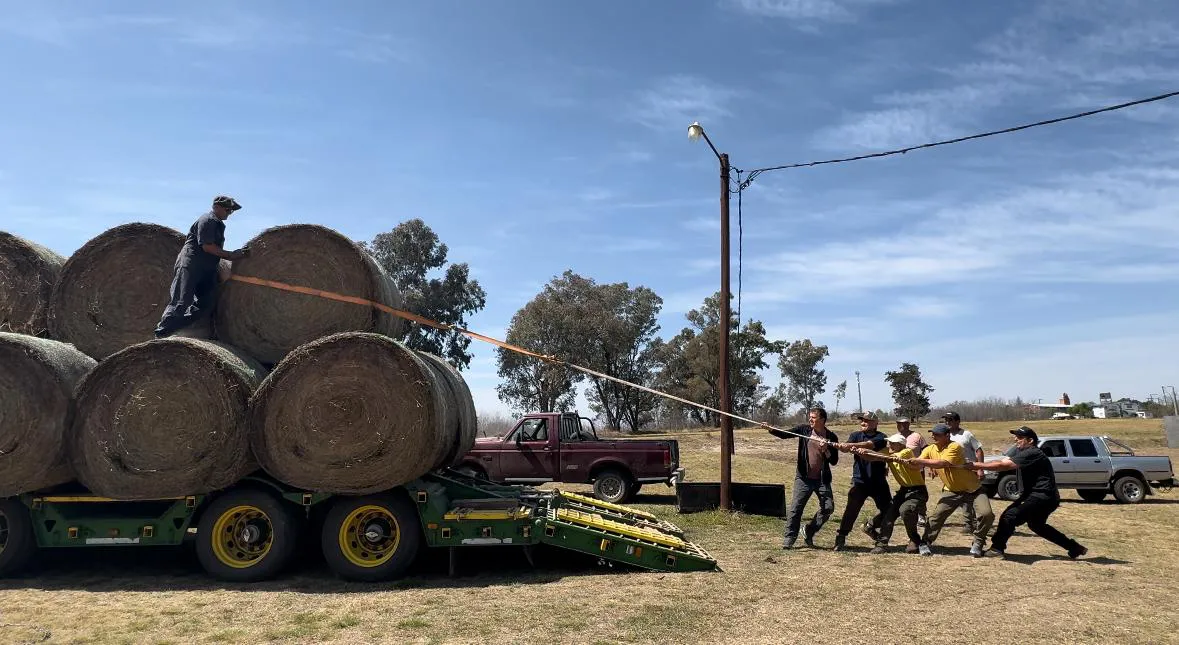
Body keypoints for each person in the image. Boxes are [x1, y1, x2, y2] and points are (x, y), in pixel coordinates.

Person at [964, 426, 1088, 560]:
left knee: (1009, 516)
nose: (1016, 439)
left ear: (1030, 440)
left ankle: (997, 548)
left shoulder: (1033, 453)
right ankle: (1074, 547)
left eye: (1020, 438)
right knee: (1037, 525)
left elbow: (1002, 466)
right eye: (1016, 437)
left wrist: (976, 465)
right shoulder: (1023, 452)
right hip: (1045, 497)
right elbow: (1002, 461)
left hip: (1041, 496)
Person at [154, 196, 249, 338]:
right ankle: (162, 334)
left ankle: (173, 330)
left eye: (231, 211)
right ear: (216, 207)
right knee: (182, 301)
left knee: (207, 304)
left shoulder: (217, 223)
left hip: (207, 269)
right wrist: (231, 255)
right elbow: (207, 246)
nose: (230, 213)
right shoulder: (208, 220)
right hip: (192, 264)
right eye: (228, 209)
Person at [904, 423, 994, 557]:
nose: (933, 436)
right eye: (932, 433)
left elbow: (944, 463)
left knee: (986, 514)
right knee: (936, 517)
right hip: (951, 490)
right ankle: (925, 542)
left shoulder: (955, 446)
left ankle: (978, 542)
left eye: (937, 434)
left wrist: (919, 462)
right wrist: (907, 462)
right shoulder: (931, 449)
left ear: (947, 436)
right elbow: (919, 464)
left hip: (973, 489)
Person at [851, 433, 929, 555]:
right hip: (904, 490)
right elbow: (874, 457)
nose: (890, 445)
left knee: (906, 510)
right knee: (889, 514)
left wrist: (869, 452)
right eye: (890, 443)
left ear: (901, 445)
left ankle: (914, 540)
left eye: (893, 443)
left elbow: (883, 457)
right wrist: (861, 452)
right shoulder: (889, 451)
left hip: (917, 490)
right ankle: (882, 544)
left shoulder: (906, 452)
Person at [775, 408, 840, 549]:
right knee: (795, 509)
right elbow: (785, 434)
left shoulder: (831, 437)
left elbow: (834, 460)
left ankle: (809, 530)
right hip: (803, 478)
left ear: (822, 420)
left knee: (828, 508)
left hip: (822, 479)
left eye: (813, 417)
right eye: (809, 417)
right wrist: (770, 429)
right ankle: (789, 538)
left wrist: (826, 450)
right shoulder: (804, 430)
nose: (810, 420)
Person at [831, 411, 891, 551]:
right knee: (851, 510)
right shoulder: (855, 435)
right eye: (862, 420)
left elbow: (869, 445)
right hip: (860, 480)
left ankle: (874, 530)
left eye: (867, 421)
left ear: (876, 423)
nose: (863, 423)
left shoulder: (881, 437)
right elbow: (846, 449)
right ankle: (841, 537)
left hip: (878, 481)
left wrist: (852, 446)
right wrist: (843, 447)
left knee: (889, 510)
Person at [943, 411, 984, 534]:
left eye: (950, 420)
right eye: (946, 420)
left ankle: (970, 523)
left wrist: (980, 468)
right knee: (957, 497)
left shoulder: (966, 435)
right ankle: (970, 522)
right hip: (952, 472)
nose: (947, 423)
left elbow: (979, 450)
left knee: (969, 497)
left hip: (968, 470)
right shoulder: (945, 435)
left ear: (957, 421)